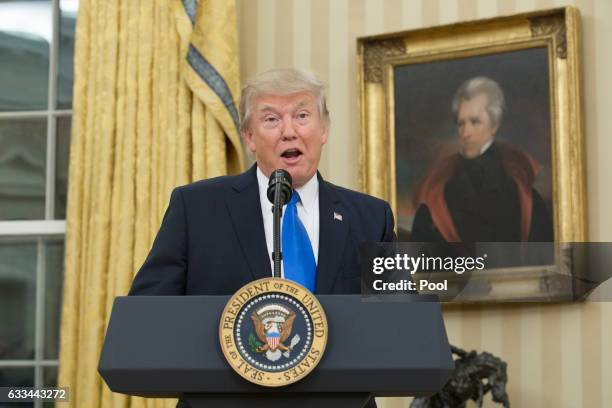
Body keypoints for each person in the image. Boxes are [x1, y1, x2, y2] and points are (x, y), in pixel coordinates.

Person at [410, 76, 553, 243]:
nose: (465, 132)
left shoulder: (519, 183)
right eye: (461, 123)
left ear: (494, 125)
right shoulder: (438, 187)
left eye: (475, 122)